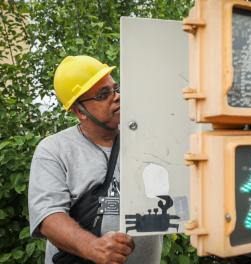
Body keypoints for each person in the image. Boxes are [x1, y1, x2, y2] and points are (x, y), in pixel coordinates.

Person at [28, 55, 162, 263]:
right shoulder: (55, 150)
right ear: (79, 111)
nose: (116, 97)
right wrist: (94, 247)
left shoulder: (149, 143)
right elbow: (48, 218)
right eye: (103, 94)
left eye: (116, 89)